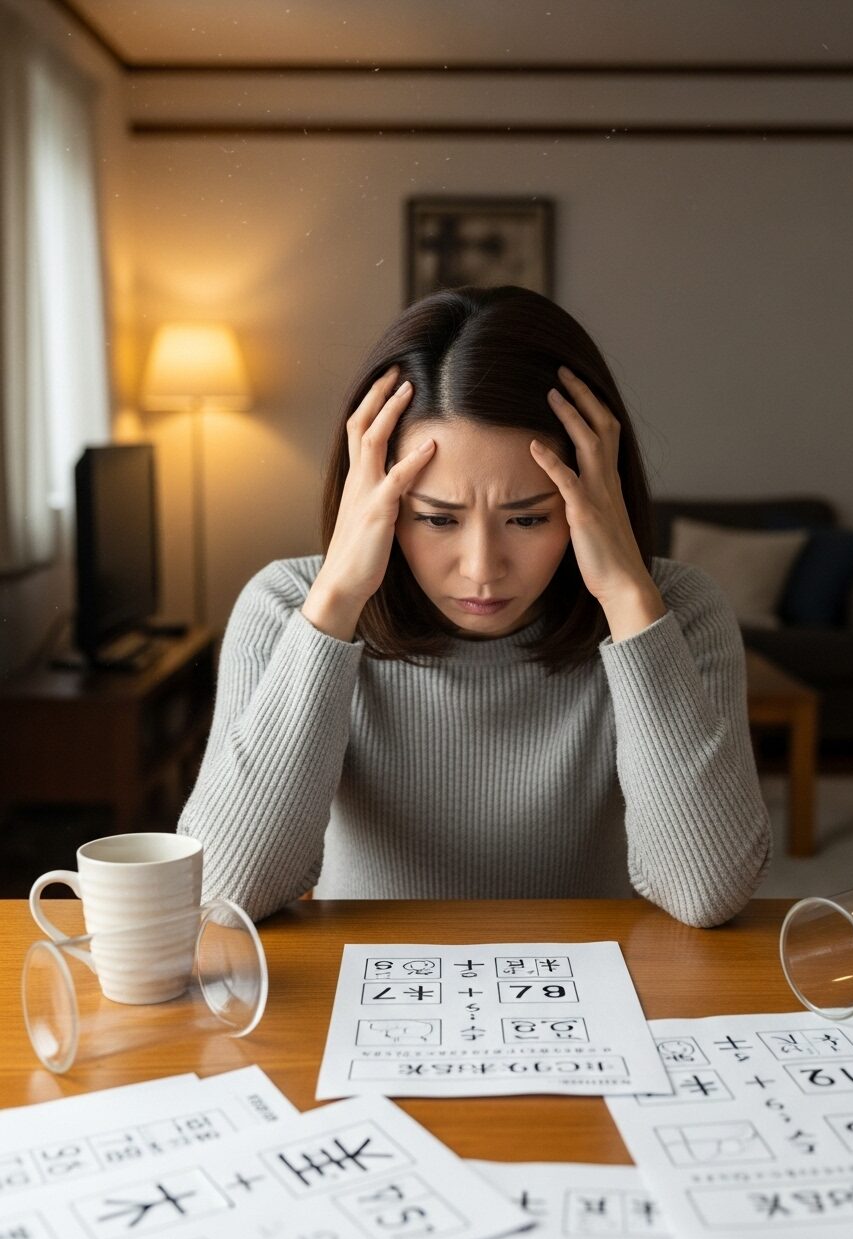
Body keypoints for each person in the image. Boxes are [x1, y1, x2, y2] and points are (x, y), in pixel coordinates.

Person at [178, 285, 771, 925]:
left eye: (529, 518)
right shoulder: (286, 607)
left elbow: (706, 892)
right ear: (371, 502)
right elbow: (225, 893)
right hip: (375, 979)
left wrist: (629, 601)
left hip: (586, 979)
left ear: (597, 499)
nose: (482, 570)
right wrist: (337, 600)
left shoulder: (676, 611)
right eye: (437, 519)